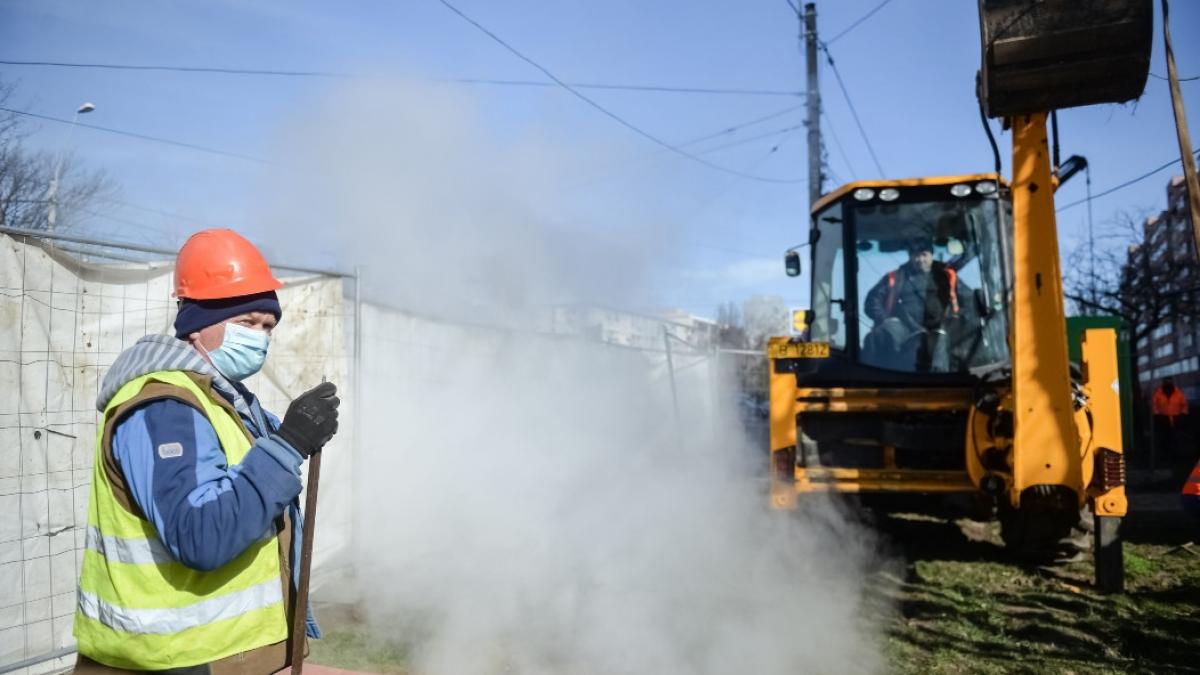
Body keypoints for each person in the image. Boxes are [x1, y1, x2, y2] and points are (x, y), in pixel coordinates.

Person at [73, 229, 340, 673]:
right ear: (198, 323)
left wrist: (290, 437)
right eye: (246, 322)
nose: (260, 338)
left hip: (217, 655)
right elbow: (201, 534)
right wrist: (289, 444)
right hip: (171, 660)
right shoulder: (163, 408)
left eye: (268, 327)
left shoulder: (226, 402)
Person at [862, 237, 968, 372]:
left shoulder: (947, 276)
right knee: (886, 333)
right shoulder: (896, 277)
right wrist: (885, 319)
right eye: (916, 255)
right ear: (910, 257)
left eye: (924, 255)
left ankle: (941, 379)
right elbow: (872, 301)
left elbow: (968, 300)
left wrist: (956, 318)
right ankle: (889, 376)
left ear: (931, 255)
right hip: (904, 327)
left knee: (941, 341)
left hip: (940, 327)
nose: (920, 260)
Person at [1152, 377, 1192, 485]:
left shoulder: (1178, 393)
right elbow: (1154, 404)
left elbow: (1184, 404)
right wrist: (1157, 415)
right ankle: (1165, 457)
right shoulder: (1158, 393)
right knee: (1164, 439)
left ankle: (1176, 457)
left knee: (1176, 439)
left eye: (1169, 381)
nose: (1168, 383)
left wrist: (1183, 414)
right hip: (1163, 420)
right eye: (1166, 382)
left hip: (1176, 420)